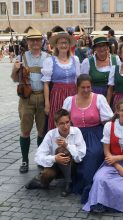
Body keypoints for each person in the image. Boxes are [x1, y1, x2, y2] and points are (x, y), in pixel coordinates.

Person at [83, 98, 123, 213]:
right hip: (110, 163)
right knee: (99, 178)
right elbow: (106, 151)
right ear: (117, 111)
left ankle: (110, 203)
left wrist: (117, 158)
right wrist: (118, 165)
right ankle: (99, 204)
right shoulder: (109, 126)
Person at [62, 74, 113, 202]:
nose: (85, 90)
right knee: (72, 153)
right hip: (76, 134)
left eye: (88, 87)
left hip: (95, 133)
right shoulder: (70, 100)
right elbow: (64, 120)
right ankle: (73, 181)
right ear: (77, 87)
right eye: (82, 87)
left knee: (93, 153)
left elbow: (108, 120)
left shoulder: (99, 98)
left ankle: (90, 187)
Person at [11, 27, 50, 173]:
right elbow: (14, 79)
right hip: (26, 98)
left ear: (41, 42)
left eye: (37, 40)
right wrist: (15, 69)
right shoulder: (21, 57)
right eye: (32, 40)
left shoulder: (48, 57)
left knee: (41, 131)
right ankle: (25, 161)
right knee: (25, 131)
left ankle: (40, 159)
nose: (35, 42)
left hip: (42, 97)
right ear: (27, 42)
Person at [25, 109, 86, 197]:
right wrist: (55, 158)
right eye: (62, 123)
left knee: (62, 150)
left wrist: (67, 146)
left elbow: (80, 156)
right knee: (47, 174)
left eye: (67, 122)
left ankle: (68, 184)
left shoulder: (76, 132)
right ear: (56, 124)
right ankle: (40, 181)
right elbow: (38, 157)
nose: (65, 126)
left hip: (72, 165)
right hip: (55, 166)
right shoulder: (51, 134)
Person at [41, 32, 80, 131]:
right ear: (56, 45)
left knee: (72, 120)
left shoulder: (75, 60)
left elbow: (77, 80)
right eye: (61, 43)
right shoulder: (50, 61)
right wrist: (47, 103)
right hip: (57, 95)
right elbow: (46, 84)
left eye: (66, 43)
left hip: (72, 94)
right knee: (58, 121)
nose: (63, 45)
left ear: (69, 45)